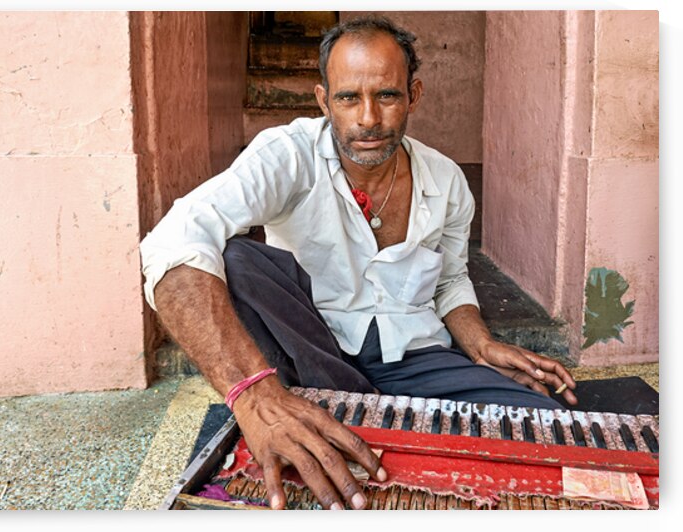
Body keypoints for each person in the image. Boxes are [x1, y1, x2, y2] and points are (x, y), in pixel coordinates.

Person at [140, 16, 578, 510]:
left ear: (413, 95)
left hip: (415, 358)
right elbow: (171, 241)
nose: (368, 118)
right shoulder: (288, 154)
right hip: (308, 356)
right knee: (235, 257)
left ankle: (359, 417)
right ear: (324, 100)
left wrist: (480, 344)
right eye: (348, 98)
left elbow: (451, 278)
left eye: (387, 96)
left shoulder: (447, 180)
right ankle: (294, 409)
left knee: (549, 428)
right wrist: (252, 395)